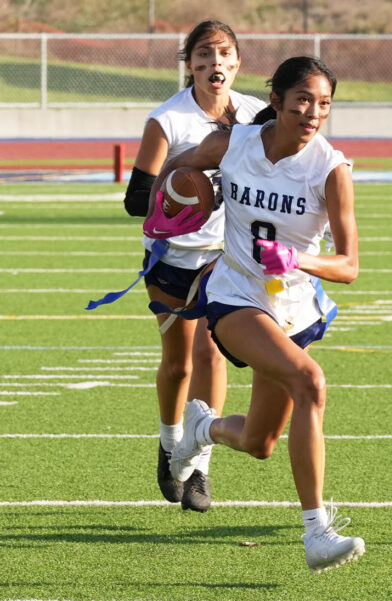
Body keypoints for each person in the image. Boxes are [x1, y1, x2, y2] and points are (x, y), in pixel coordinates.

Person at [144, 56, 365, 572]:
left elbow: (349, 265)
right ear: (277, 100)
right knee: (311, 381)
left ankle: (203, 429)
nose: (313, 113)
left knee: (260, 442)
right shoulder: (233, 143)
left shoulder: (331, 169)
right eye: (304, 100)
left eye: (324, 104)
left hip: (292, 305)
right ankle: (317, 533)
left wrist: (299, 259)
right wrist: (169, 209)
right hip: (235, 295)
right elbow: (180, 171)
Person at [123, 20, 266, 513]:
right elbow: (135, 200)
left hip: (225, 259)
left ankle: (200, 466)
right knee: (178, 363)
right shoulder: (167, 120)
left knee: (212, 355)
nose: (214, 64)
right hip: (172, 259)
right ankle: (168, 444)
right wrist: (181, 192)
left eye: (223, 54)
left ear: (237, 62)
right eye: (203, 56)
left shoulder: (254, 114)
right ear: (189, 65)